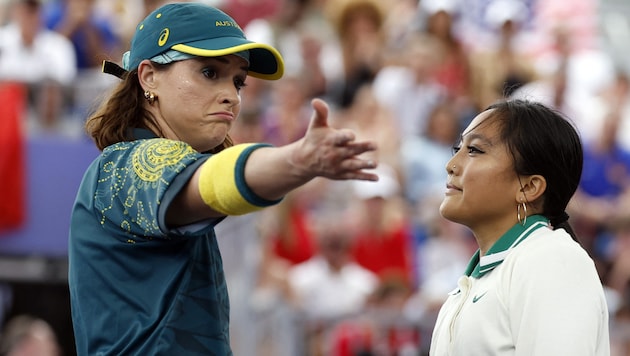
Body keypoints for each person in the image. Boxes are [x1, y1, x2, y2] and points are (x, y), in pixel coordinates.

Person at [67, 3, 378, 355]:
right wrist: (297, 159)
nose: (232, 95)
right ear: (149, 76)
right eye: (210, 72)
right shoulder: (124, 165)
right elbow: (213, 181)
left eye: (238, 81)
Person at [429, 99, 610, 355]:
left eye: (475, 151)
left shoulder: (551, 259)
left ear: (529, 187)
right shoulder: (475, 282)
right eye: (457, 148)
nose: (451, 165)